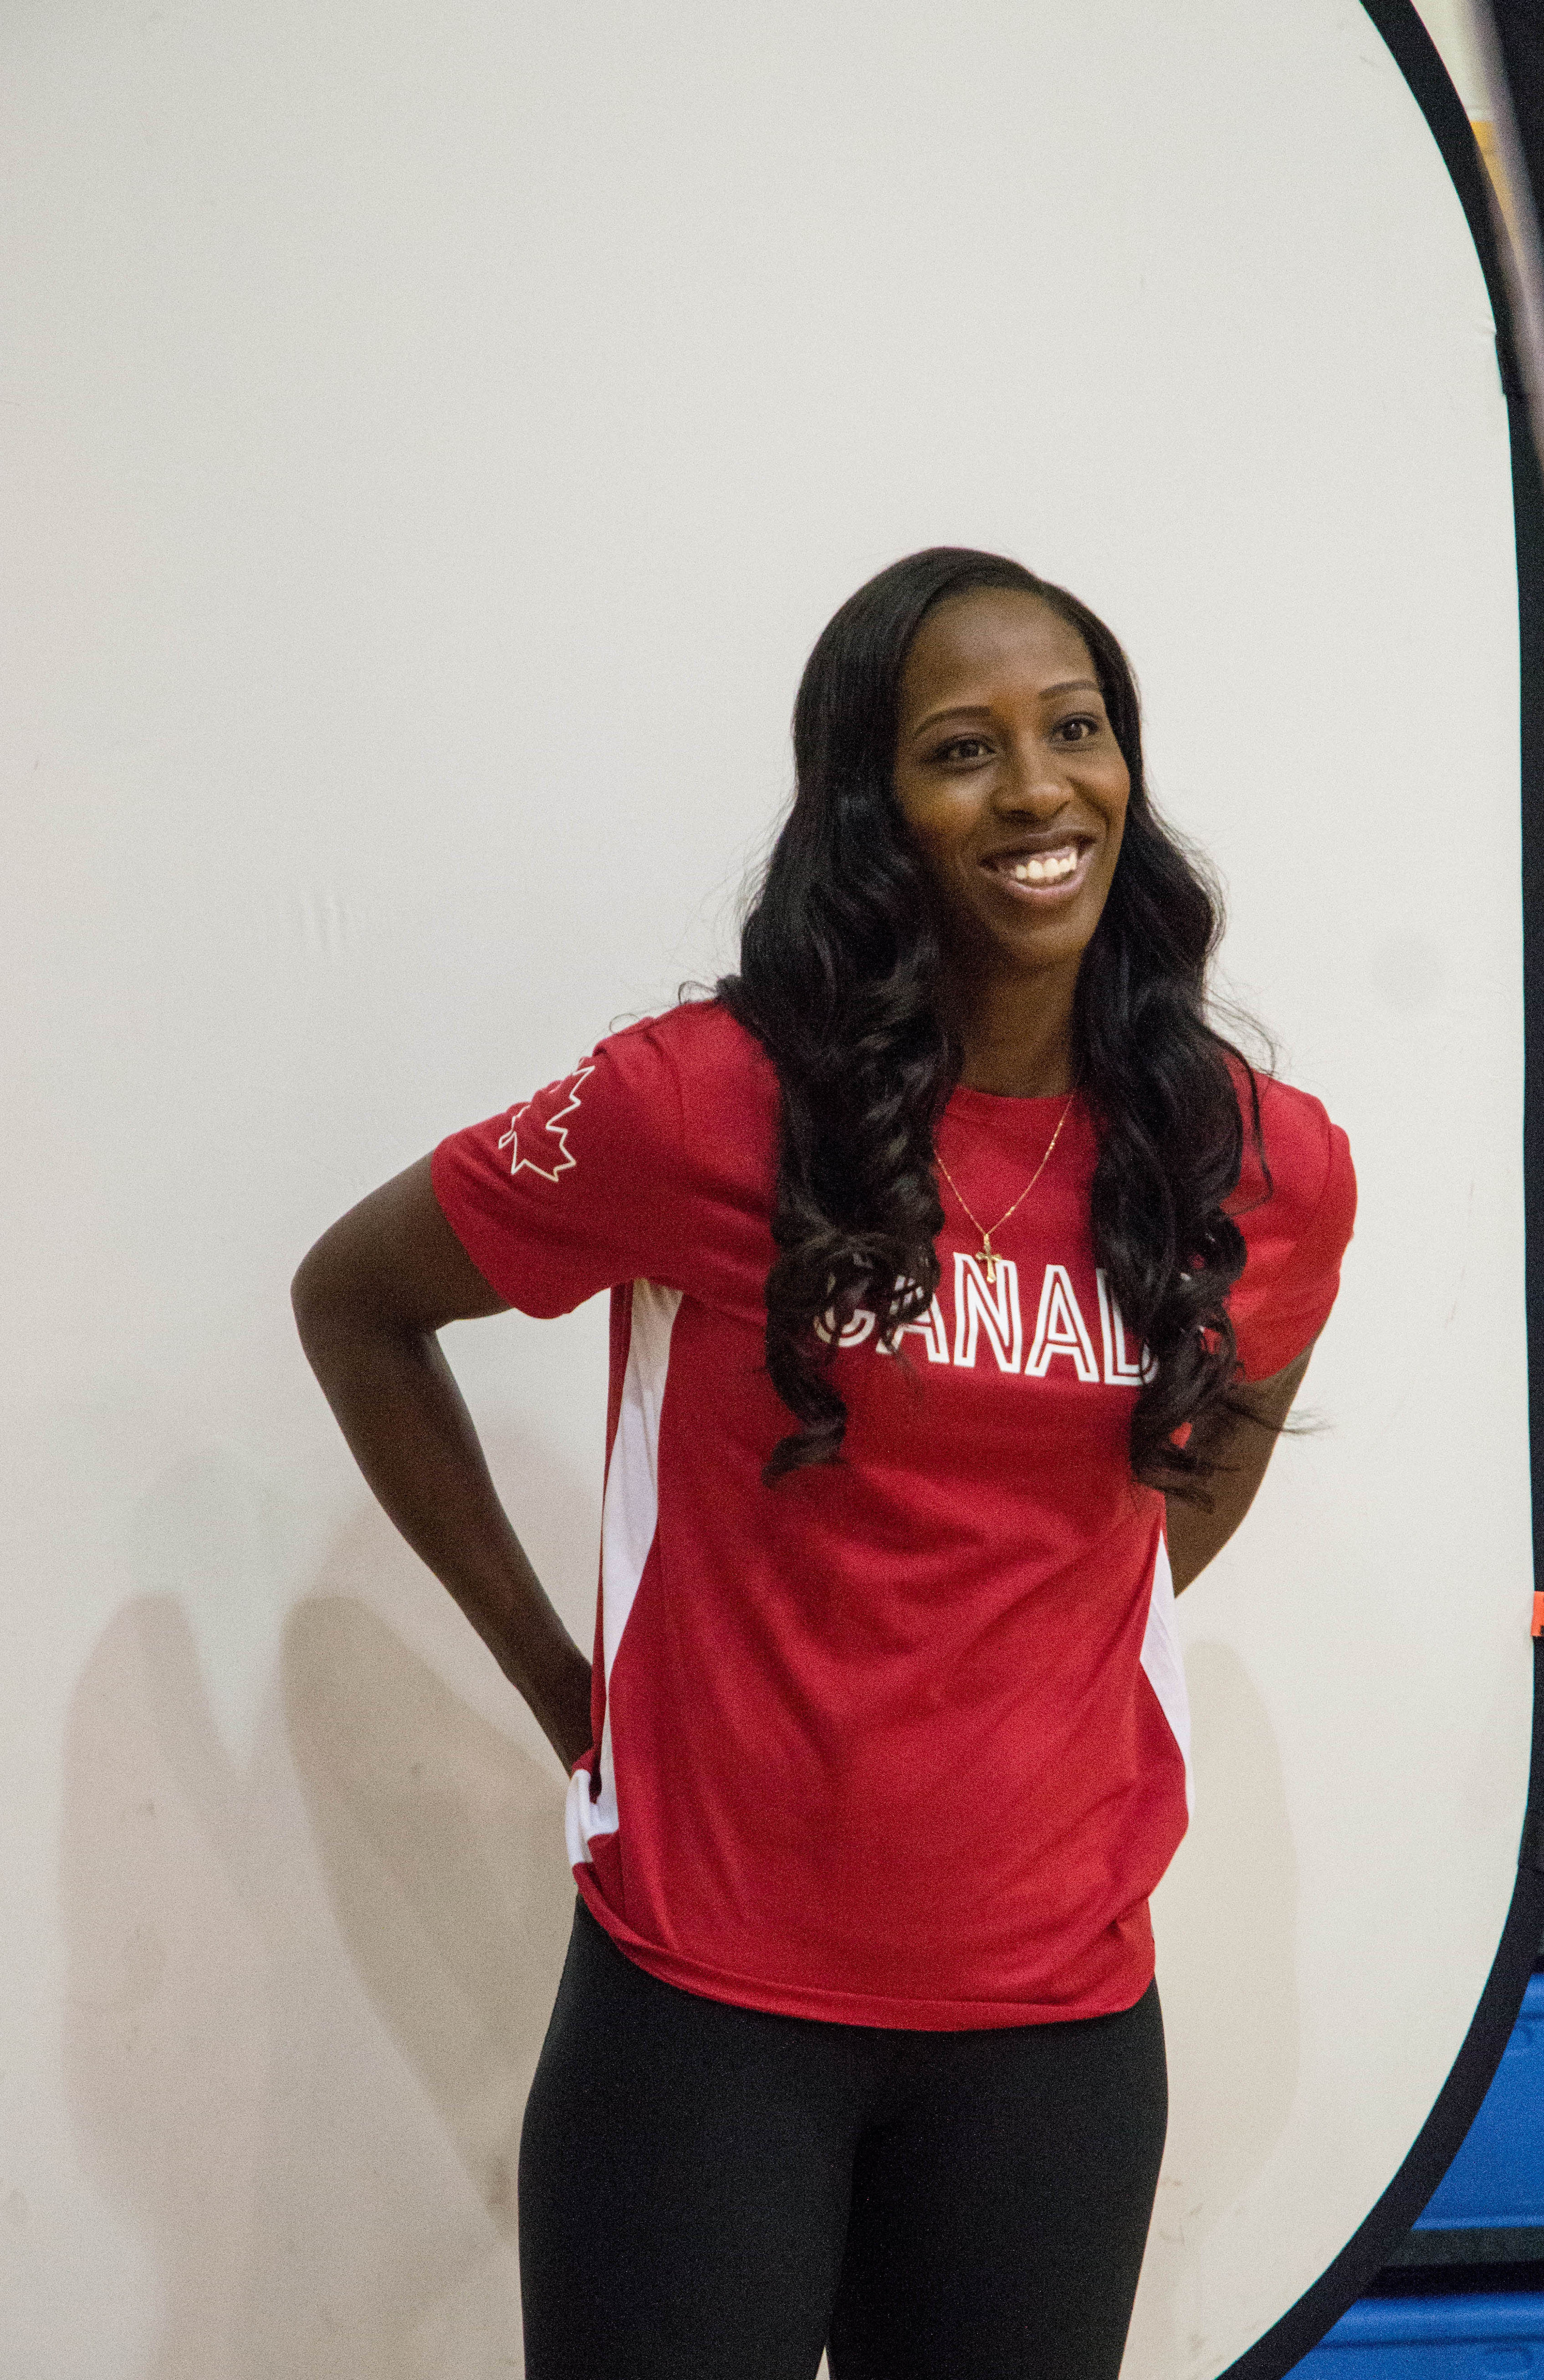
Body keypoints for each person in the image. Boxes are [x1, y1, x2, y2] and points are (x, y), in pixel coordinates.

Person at [291, 546, 1356, 2380]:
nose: (1037, 788)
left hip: (1054, 2025)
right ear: (873, 809)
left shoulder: (1256, 1161)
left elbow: (1219, 1432)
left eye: (1076, 729)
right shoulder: (696, 1103)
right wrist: (575, 1689)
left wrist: (1042, 1651)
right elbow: (357, 1300)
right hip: (704, 2012)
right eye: (964, 747)